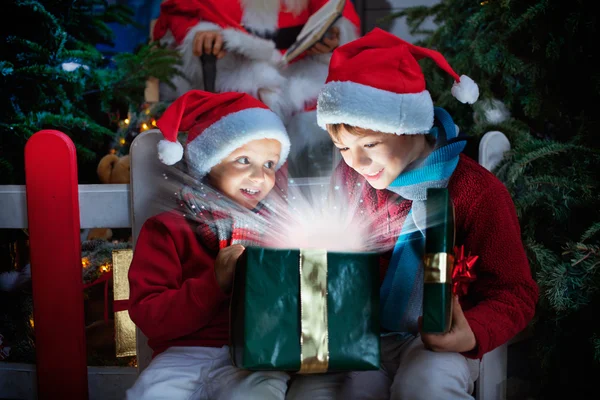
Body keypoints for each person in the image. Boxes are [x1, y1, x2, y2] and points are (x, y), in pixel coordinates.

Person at [315, 28, 539, 399]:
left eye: (370, 143)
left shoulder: (476, 192)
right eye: (342, 147)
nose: (356, 162)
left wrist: (472, 331)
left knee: (426, 384)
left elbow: (515, 291)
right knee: (350, 388)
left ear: (411, 126)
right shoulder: (348, 181)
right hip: (364, 333)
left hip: (442, 338)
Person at [125, 89, 304, 399]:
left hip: (256, 359)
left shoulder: (282, 232)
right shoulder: (169, 229)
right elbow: (150, 316)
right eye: (244, 160)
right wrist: (214, 282)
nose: (259, 176)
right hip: (182, 356)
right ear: (207, 162)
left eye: (270, 164)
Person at [153, 0, 362, 176]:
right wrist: (203, 33)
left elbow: (336, 12)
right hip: (234, 67)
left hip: (302, 71)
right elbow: (181, 14)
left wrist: (333, 36)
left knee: (321, 137)